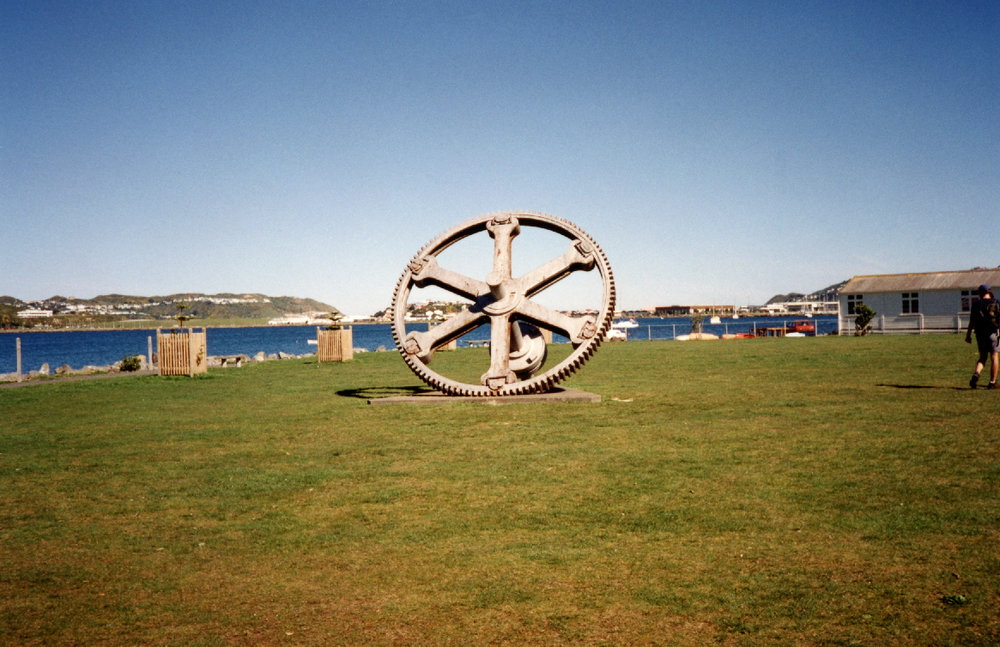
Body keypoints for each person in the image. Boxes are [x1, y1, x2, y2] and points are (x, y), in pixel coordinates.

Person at [965, 284, 1000, 389]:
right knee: (994, 357)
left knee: (982, 357)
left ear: (980, 293)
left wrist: (968, 335)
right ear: (989, 292)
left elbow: (972, 321)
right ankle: (992, 382)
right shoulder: (996, 302)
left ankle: (976, 374)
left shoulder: (976, 304)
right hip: (993, 333)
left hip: (980, 334)